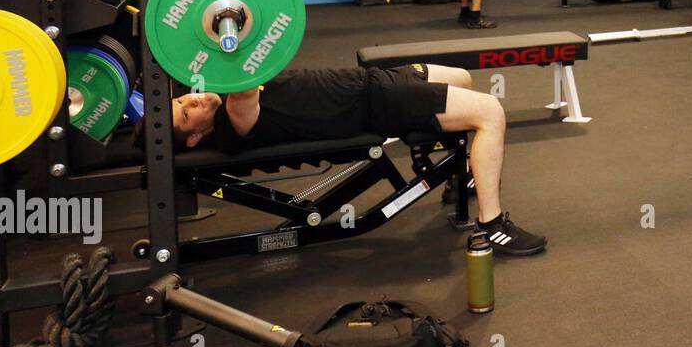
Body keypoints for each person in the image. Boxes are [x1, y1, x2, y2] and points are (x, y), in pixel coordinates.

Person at [168, 63, 547, 255]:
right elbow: (245, 79)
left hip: (372, 81)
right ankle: (493, 226)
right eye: (187, 113)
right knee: (490, 112)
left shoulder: (219, 106)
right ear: (196, 137)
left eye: (183, 99)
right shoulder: (235, 122)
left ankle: (458, 172)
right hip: (375, 104)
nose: (193, 100)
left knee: (462, 78)